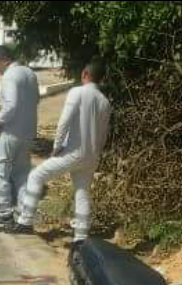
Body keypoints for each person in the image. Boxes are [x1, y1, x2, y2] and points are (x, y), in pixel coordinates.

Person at [8, 59, 111, 242]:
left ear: (84, 75)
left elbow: (64, 121)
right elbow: (104, 135)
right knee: (82, 192)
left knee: (36, 176)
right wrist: (96, 154)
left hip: (73, 152)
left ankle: (25, 221)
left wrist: (56, 147)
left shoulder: (77, 92)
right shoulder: (105, 102)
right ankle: (80, 237)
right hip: (92, 155)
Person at [0, 45, 39, 225]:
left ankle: (5, 212)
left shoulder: (10, 75)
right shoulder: (30, 73)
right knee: (22, 173)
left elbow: (11, 104)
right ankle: (24, 214)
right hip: (27, 131)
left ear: (2, 60)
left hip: (10, 131)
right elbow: (35, 100)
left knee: (1, 171)